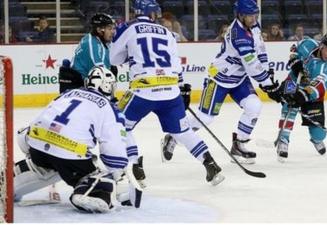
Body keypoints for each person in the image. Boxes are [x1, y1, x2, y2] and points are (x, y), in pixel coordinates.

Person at [110, 0, 224, 185]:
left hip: (143, 90)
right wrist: (182, 89)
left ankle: (135, 167)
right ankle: (210, 164)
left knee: (119, 124)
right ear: (152, 13)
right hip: (171, 91)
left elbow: (114, 59)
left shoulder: (128, 29)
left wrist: (129, 54)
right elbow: (175, 62)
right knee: (183, 131)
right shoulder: (167, 32)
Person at [161, 0, 279, 165]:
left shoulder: (254, 27)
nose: (254, 18)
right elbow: (252, 65)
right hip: (219, 79)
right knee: (205, 118)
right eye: (250, 15)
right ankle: (173, 136)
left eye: (255, 15)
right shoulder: (238, 35)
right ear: (240, 15)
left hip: (239, 79)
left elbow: (260, 49)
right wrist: (268, 84)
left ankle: (239, 145)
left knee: (254, 106)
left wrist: (268, 73)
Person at [13, 67, 141, 213]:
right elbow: (113, 151)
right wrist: (118, 173)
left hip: (36, 146)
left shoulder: (67, 94)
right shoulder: (109, 108)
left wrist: (30, 146)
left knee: (48, 162)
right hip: (69, 156)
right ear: (110, 87)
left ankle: (17, 174)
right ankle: (91, 191)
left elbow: (39, 119)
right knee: (103, 178)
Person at [268, 33, 327, 162]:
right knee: (288, 107)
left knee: (318, 132)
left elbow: (319, 86)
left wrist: (303, 95)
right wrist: (295, 61)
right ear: (321, 45)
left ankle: (316, 139)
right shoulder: (309, 44)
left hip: (312, 94)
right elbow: (294, 48)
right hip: (293, 81)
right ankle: (283, 140)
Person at [59, 13, 116, 93]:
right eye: (109, 29)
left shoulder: (95, 40)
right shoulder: (93, 45)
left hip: (81, 84)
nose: (113, 32)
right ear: (99, 30)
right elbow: (101, 73)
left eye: (113, 28)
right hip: (79, 87)